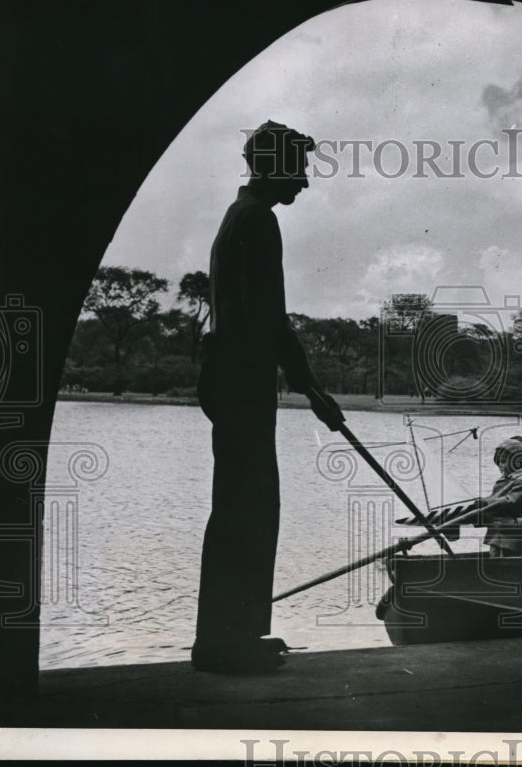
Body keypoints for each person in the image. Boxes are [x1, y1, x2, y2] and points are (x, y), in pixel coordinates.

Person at [192, 121, 344, 673]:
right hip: (241, 382)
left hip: (234, 379)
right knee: (248, 509)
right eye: (298, 168)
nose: (303, 181)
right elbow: (269, 317)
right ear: (274, 166)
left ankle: (232, 635)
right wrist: (312, 388)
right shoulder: (257, 218)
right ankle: (225, 643)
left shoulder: (241, 215)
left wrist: (304, 385)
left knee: (243, 507)